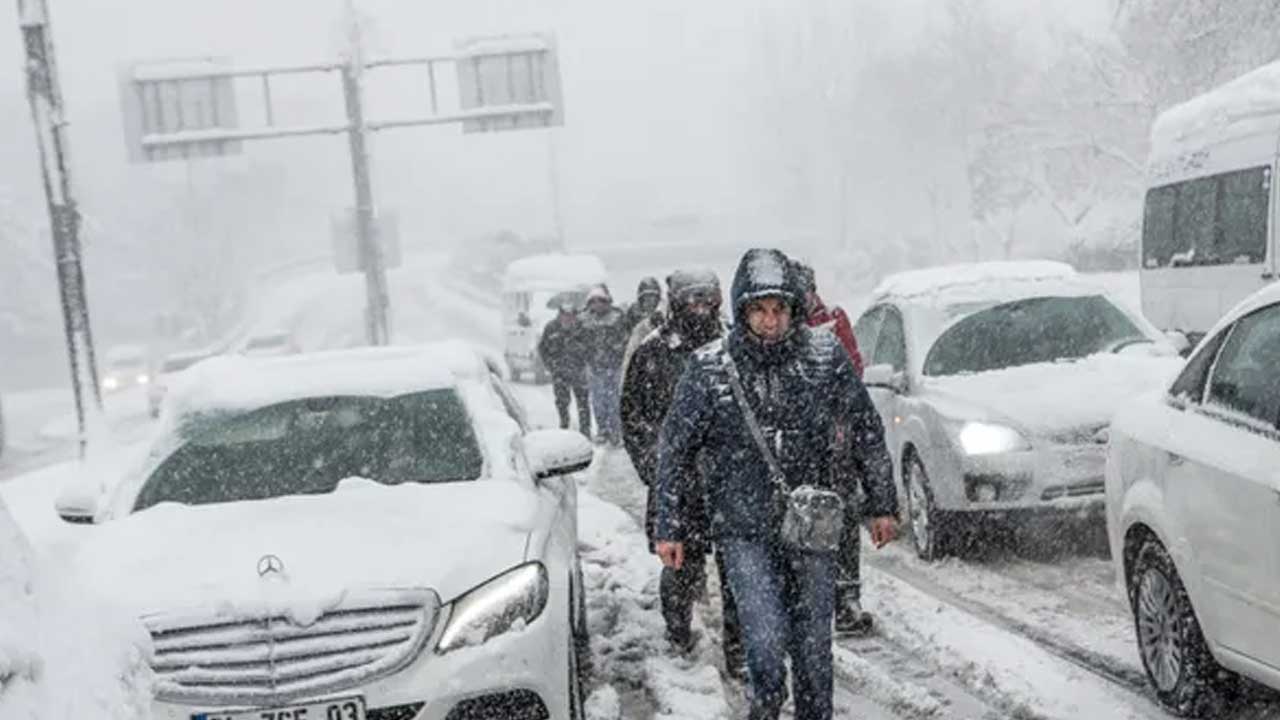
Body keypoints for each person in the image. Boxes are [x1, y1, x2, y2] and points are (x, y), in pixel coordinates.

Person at [653, 248, 898, 720]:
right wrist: (670, 526)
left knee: (813, 650)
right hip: (743, 531)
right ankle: (765, 708)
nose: (769, 321)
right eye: (759, 310)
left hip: (812, 526)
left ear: (793, 310)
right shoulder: (709, 368)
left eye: (778, 309)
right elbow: (675, 450)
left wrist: (881, 504)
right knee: (763, 646)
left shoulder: (824, 357)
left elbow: (866, 428)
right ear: (743, 309)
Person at [620, 269, 744, 676]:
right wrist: (656, 468)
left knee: (739, 570)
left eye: (706, 298)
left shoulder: (737, 346)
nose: (698, 307)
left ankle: (739, 648)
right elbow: (633, 417)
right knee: (680, 566)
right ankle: (678, 631)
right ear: (674, 302)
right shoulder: (651, 353)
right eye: (690, 299)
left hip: (731, 480)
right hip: (678, 481)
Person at [790, 258, 870, 636]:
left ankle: (846, 596)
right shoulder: (777, 333)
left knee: (844, 513)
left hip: (836, 440)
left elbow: (854, 369)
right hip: (793, 445)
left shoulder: (834, 320)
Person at [579, 284, 629, 444]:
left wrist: (616, 347)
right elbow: (580, 342)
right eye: (594, 301)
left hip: (614, 366)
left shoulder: (617, 317)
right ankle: (602, 429)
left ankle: (615, 431)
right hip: (595, 367)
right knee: (598, 401)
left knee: (614, 401)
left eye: (600, 301)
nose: (597, 305)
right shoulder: (584, 321)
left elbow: (626, 338)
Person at [537, 302, 592, 435]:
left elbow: (590, 348)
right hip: (559, 372)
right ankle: (564, 425)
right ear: (560, 315)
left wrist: (585, 362)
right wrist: (551, 365)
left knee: (583, 403)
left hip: (578, 372)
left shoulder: (582, 328)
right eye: (565, 315)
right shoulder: (551, 328)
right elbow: (542, 348)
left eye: (571, 315)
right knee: (561, 401)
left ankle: (585, 430)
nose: (568, 318)